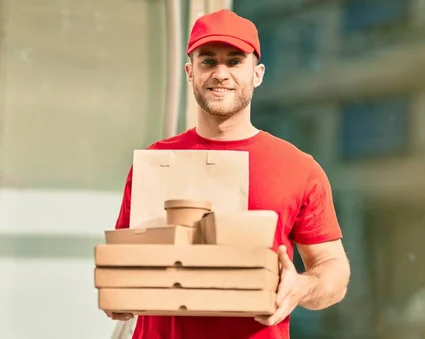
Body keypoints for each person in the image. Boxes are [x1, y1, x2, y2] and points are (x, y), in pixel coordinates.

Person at [108, 9, 350, 339]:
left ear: (258, 74)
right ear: (190, 72)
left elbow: (333, 269)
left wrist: (301, 286)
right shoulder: (155, 161)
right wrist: (117, 291)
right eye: (208, 61)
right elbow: (125, 268)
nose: (221, 73)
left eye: (235, 61)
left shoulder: (298, 167)